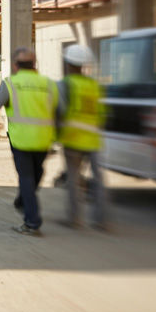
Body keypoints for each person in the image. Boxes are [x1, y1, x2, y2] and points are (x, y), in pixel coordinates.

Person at [0, 47, 57, 236]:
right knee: (36, 174)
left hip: (21, 140)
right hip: (44, 139)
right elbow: (60, 110)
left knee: (27, 178)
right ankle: (23, 201)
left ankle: (32, 222)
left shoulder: (11, 84)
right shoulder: (49, 84)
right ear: (34, 65)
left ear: (16, 66)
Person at [57, 45, 108, 229]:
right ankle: (102, 220)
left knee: (73, 180)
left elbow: (59, 111)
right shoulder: (94, 85)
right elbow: (102, 114)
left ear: (69, 64)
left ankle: (75, 219)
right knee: (99, 180)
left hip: (73, 138)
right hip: (93, 139)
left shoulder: (65, 84)